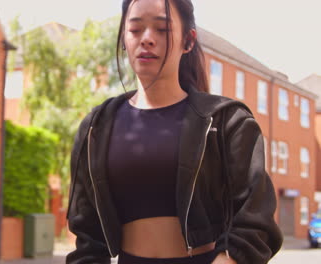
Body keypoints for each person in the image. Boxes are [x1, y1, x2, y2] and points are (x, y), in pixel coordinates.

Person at [65, 0, 283, 263]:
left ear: (188, 41)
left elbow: (256, 216)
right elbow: (86, 233)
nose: (147, 39)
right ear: (124, 37)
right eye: (135, 30)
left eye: (162, 29)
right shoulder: (95, 129)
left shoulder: (225, 121)